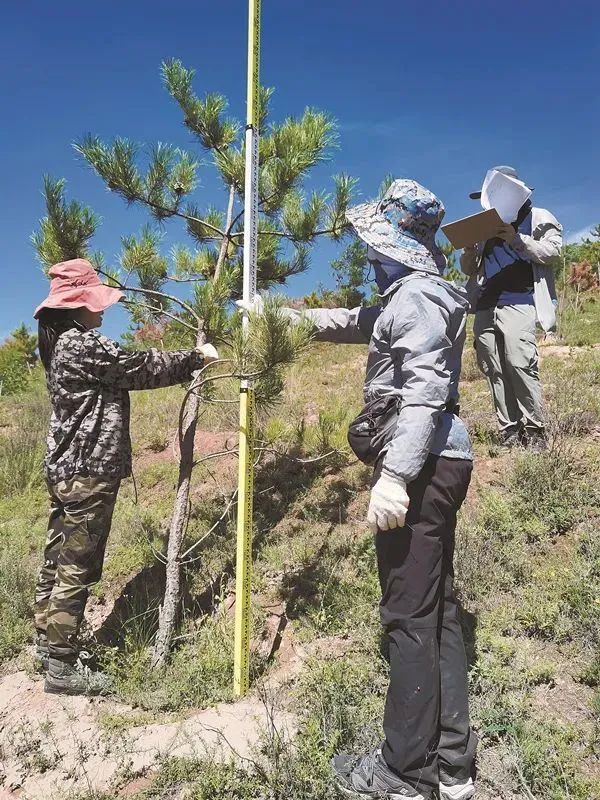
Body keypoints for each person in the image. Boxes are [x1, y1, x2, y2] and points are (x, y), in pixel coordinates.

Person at [242, 180, 476, 800]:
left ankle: (405, 773)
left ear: (401, 248)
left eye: (376, 248)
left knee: (407, 616)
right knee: (437, 610)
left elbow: (425, 390)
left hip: (421, 465)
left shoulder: (418, 297)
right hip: (438, 461)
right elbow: (349, 321)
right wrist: (276, 315)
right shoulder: (409, 296)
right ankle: (452, 765)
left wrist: (396, 476)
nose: (368, 258)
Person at [32, 258, 218, 696]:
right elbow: (140, 367)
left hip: (66, 468)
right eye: (94, 301)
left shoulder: (60, 344)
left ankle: (48, 643)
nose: (102, 309)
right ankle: (60, 668)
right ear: (75, 305)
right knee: (78, 564)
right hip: (89, 471)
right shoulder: (81, 344)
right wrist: (194, 358)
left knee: (57, 559)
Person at [460, 166, 562, 450]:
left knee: (520, 363)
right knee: (493, 367)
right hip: (486, 305)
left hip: (520, 301)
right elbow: (470, 269)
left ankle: (535, 430)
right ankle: (510, 429)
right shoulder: (483, 229)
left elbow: (553, 252)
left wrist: (515, 239)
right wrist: (468, 250)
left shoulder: (539, 217)